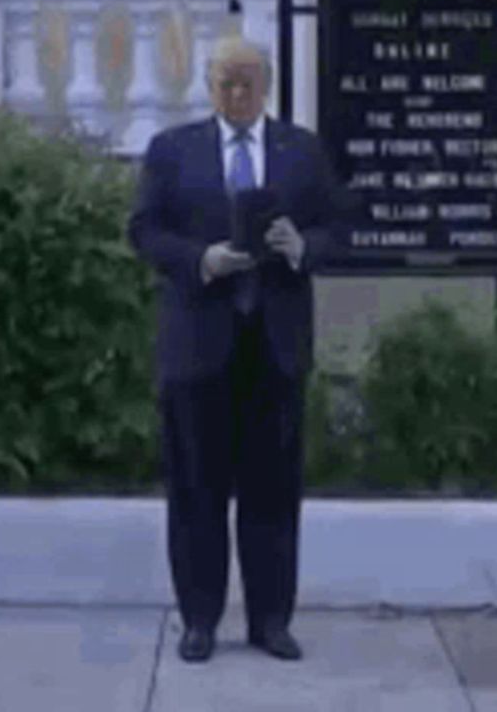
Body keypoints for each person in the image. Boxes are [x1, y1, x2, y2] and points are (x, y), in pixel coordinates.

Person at [127, 33, 345, 663]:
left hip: (274, 344)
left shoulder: (300, 151)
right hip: (199, 343)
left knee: (272, 492)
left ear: (267, 84)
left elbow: (339, 224)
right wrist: (201, 259)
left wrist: (301, 246)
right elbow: (144, 229)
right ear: (208, 84)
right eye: (225, 81)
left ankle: (271, 621)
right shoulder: (174, 151)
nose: (237, 92)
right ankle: (199, 620)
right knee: (196, 489)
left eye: (248, 81)